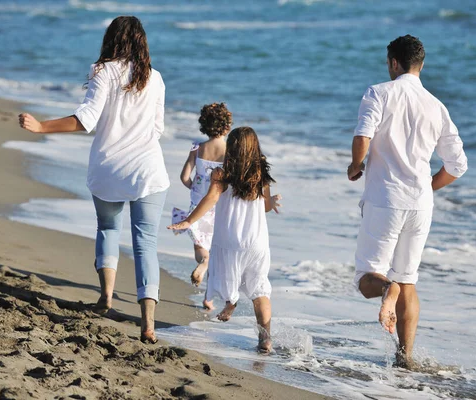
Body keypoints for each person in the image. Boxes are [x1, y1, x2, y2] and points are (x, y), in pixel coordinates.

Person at [18, 16, 169, 344]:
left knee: (108, 229)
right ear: (142, 42)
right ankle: (148, 325)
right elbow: (157, 129)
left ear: (111, 39)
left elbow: (86, 119)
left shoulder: (103, 71)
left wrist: (42, 127)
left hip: (110, 167)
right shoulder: (155, 78)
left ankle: (106, 299)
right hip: (148, 168)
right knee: (146, 243)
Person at [347, 35, 468, 368]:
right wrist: (429, 187)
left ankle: (389, 290)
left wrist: (356, 166)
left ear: (393, 63)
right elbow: (458, 165)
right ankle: (406, 357)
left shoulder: (379, 93)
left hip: (385, 199)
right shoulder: (437, 106)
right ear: (422, 65)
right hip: (420, 204)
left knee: (366, 279)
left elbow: (362, 136)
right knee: (409, 280)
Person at [168, 127, 281, 353]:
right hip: (257, 241)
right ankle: (266, 339)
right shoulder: (261, 176)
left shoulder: (221, 174)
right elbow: (265, 207)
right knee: (260, 290)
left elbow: (210, 199)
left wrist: (189, 221)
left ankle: (231, 304)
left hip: (230, 238)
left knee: (224, 274)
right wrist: (273, 202)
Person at [172, 103, 232, 311]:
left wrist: (194, 188)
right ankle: (209, 297)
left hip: (198, 205)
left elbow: (184, 177)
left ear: (204, 126)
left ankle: (202, 263)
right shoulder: (229, 152)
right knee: (217, 251)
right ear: (227, 128)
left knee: (200, 246)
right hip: (220, 207)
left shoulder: (197, 148)